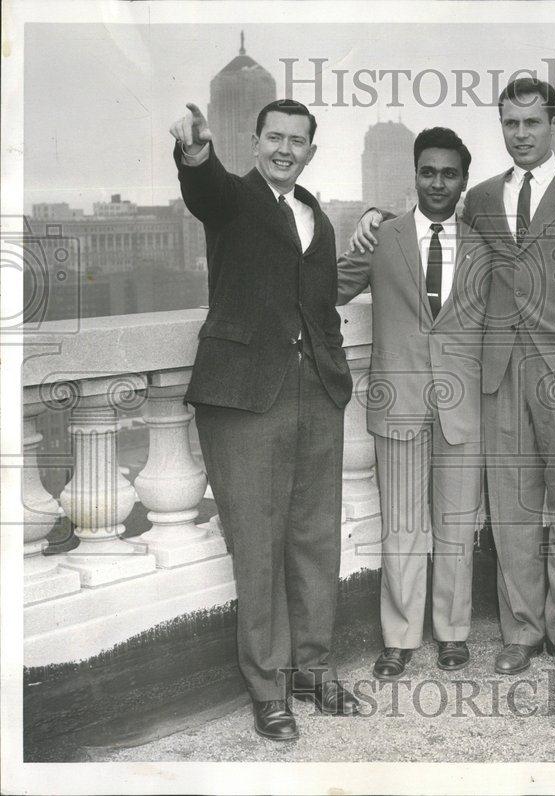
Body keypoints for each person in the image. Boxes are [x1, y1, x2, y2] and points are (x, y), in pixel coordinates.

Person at [350, 78, 555, 674]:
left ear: (553, 126)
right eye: (511, 124)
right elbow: (427, 234)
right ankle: (521, 631)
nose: (520, 135)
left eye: (531, 123)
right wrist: (373, 217)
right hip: (496, 373)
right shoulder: (482, 199)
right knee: (512, 507)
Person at [170, 99, 358, 742]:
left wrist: (333, 372)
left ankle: (312, 666)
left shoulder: (318, 218)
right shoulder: (234, 199)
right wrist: (195, 153)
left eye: (296, 140)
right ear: (253, 142)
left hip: (315, 391)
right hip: (245, 395)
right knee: (257, 545)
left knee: (314, 538)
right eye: (273, 136)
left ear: (311, 150)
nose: (284, 148)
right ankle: (268, 686)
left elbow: (322, 300)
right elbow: (206, 190)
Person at [336, 127, 491, 681]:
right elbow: (329, 288)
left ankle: (453, 631)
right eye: (429, 172)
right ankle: (399, 637)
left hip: (463, 409)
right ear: (415, 175)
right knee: (401, 526)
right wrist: (363, 220)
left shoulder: (483, 248)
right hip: (397, 404)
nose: (438, 183)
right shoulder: (383, 237)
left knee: (455, 526)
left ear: (464, 181)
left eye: (450, 173)